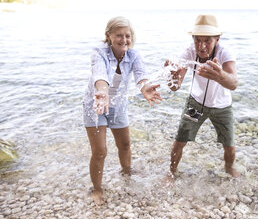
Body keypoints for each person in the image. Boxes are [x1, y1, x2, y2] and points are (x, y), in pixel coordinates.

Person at [83, 16, 162, 205]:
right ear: (108, 35)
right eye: (119, 35)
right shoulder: (98, 52)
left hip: (118, 106)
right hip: (96, 105)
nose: (124, 40)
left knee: (125, 145)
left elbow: (141, 76)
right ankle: (97, 189)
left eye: (128, 35)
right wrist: (102, 94)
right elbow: (100, 74)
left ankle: (127, 174)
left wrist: (145, 88)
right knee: (100, 151)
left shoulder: (134, 55)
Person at [165, 14, 240, 180]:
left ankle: (229, 168)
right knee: (180, 141)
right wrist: (171, 76)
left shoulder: (225, 53)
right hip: (196, 105)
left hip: (222, 108)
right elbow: (174, 87)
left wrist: (220, 75)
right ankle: (171, 172)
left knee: (229, 146)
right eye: (197, 40)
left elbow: (234, 83)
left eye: (207, 40)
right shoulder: (189, 52)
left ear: (217, 39)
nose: (202, 46)